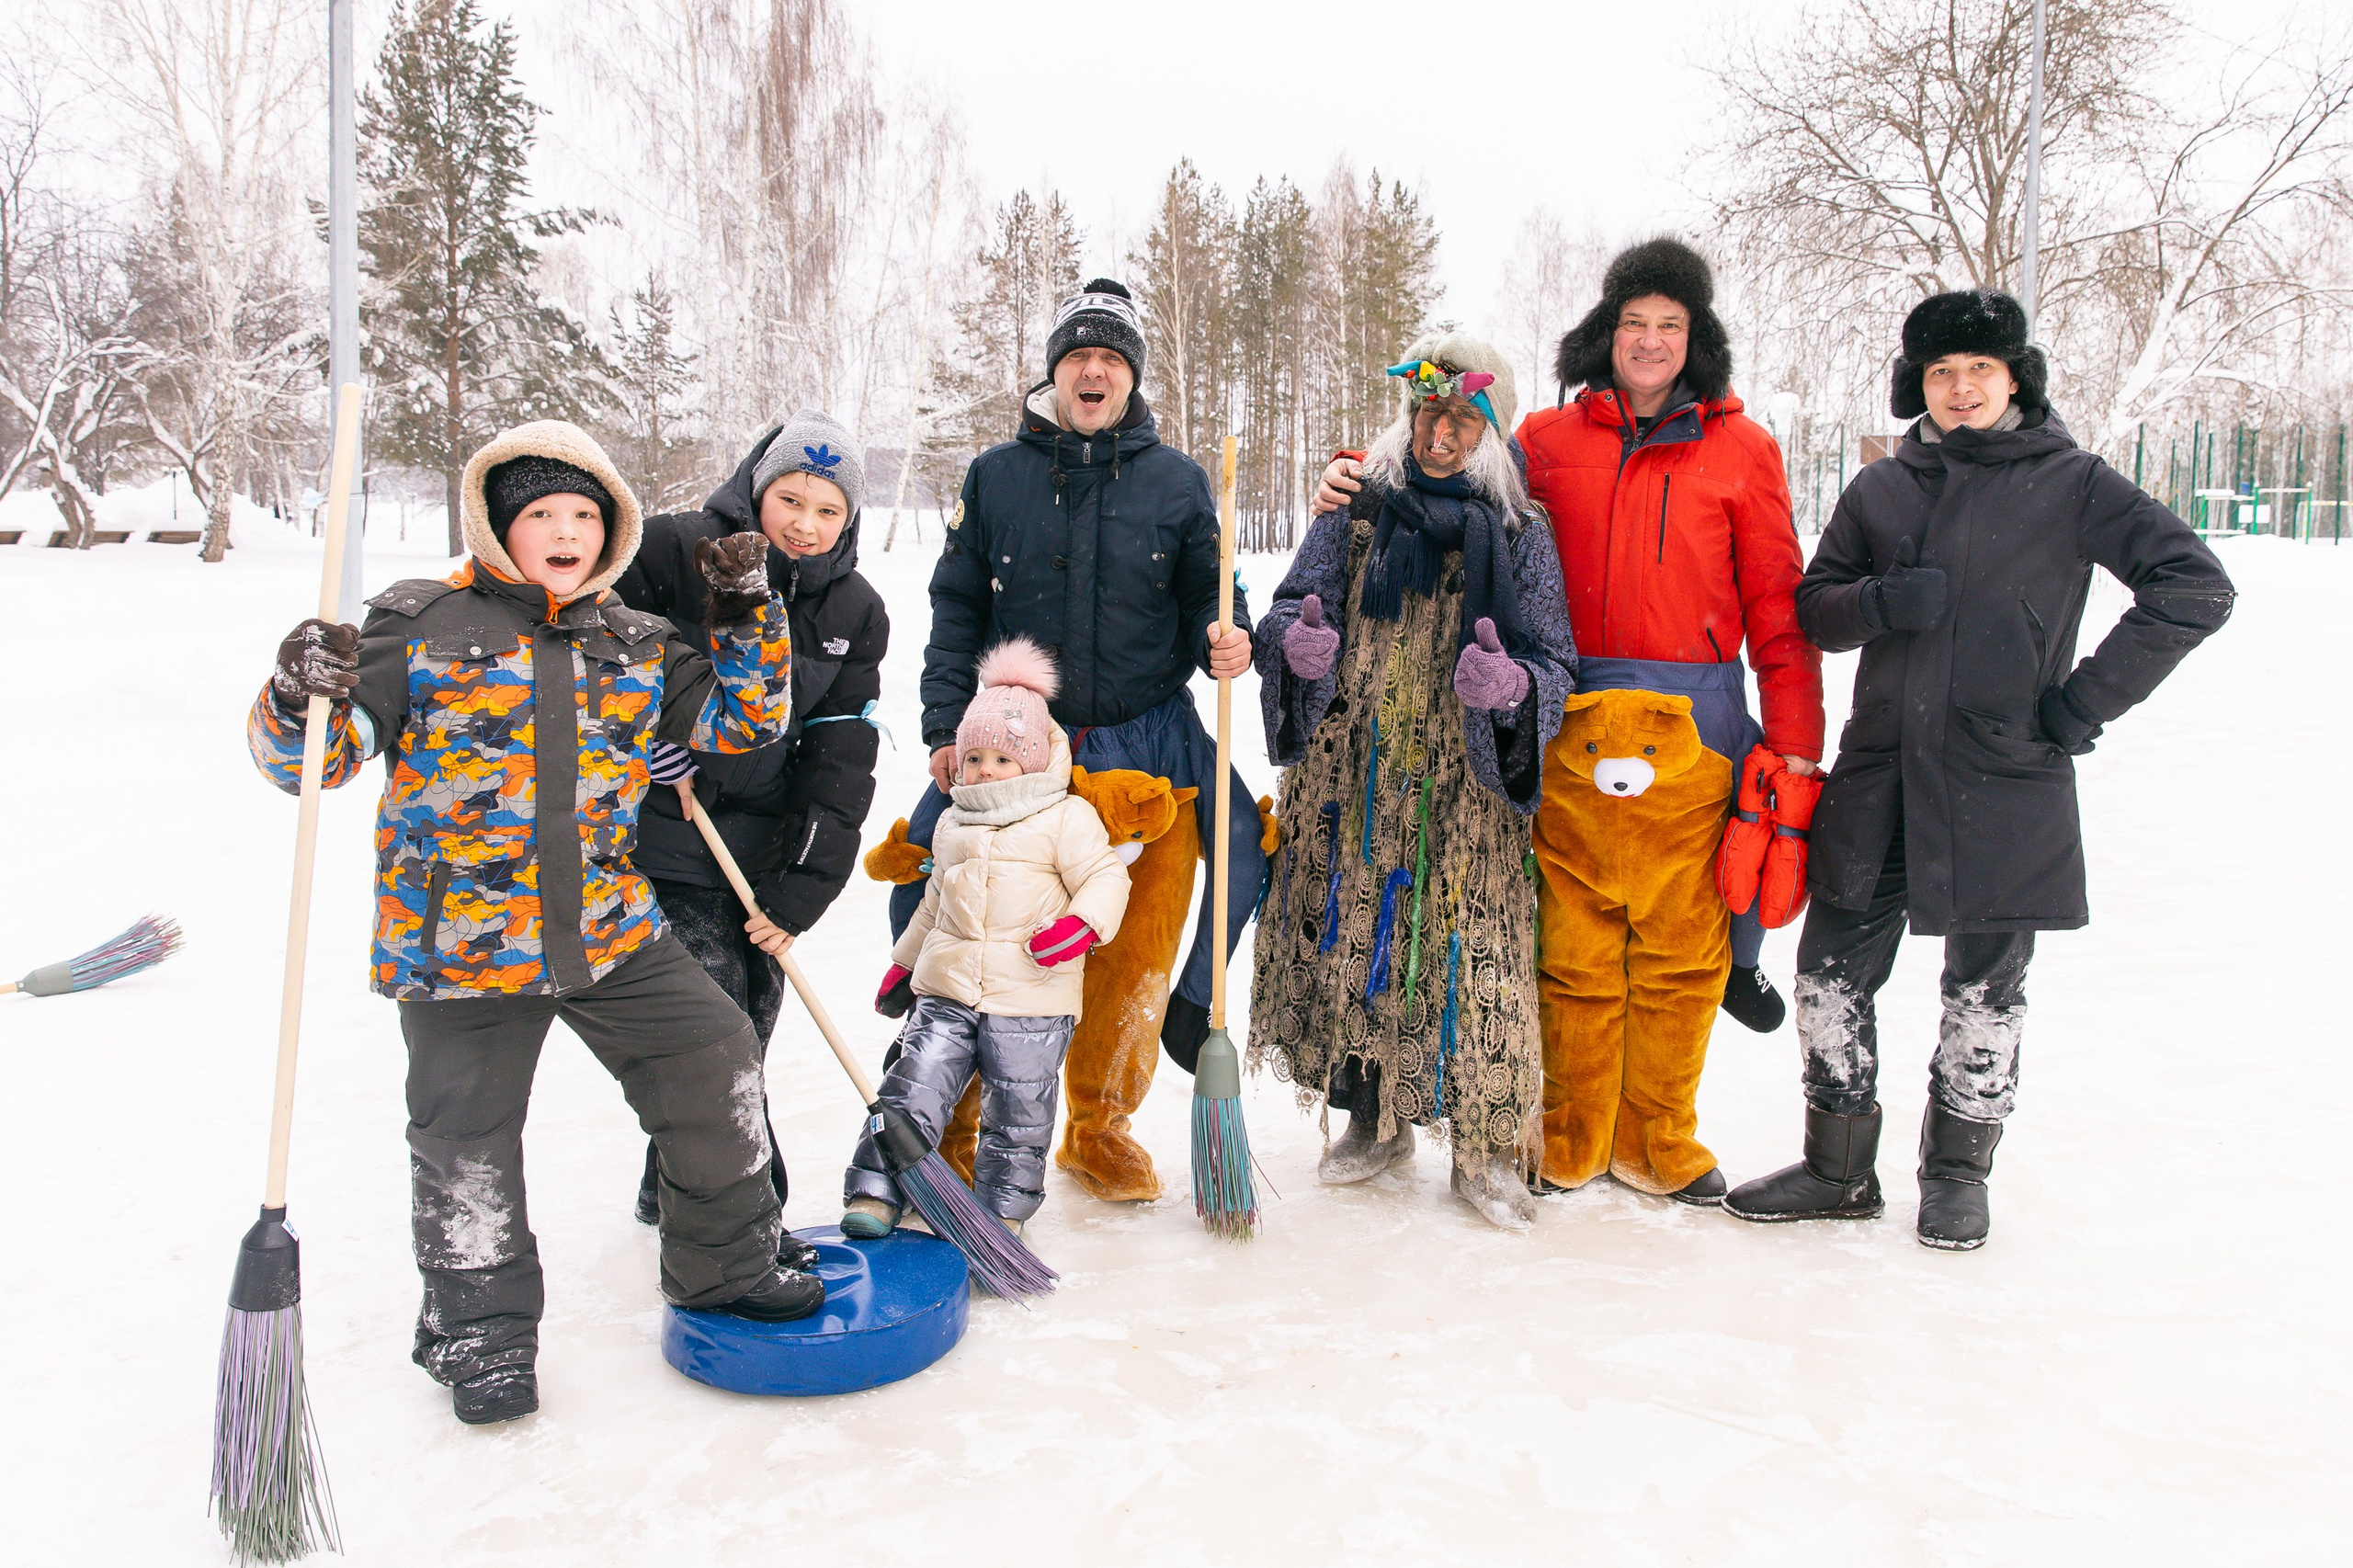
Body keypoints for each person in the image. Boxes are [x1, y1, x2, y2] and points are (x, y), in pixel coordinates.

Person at [249, 421, 825, 1427]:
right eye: (542, 514)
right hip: (461, 944)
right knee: (465, 1142)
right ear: (496, 525)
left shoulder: (635, 639)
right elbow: (315, 763)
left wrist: (745, 612)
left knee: (716, 1052)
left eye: (584, 515)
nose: (564, 532)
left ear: (610, 530)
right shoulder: (419, 623)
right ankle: (480, 1334)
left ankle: (723, 1265)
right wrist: (296, 694)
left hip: (608, 929)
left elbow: (747, 722)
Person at [1722, 290, 2235, 1249]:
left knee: (1985, 985)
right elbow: (1815, 608)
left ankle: (1958, 1169)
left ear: (2015, 380)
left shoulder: (2074, 483)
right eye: (1941, 374)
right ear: (1917, 383)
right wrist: (1880, 601)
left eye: (1979, 373)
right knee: (1828, 971)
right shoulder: (1882, 487)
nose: (1959, 390)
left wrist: (2081, 702)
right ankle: (1837, 1168)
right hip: (1879, 777)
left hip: (2004, 776)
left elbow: (2194, 586)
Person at [1319, 240, 1821, 1038]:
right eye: (1633, 321)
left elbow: (1777, 607)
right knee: (1575, 931)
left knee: (1685, 927)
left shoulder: (1745, 450)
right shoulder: (1551, 439)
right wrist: (1355, 468)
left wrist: (1794, 741)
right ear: (1606, 330)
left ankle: (1660, 1117)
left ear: (1699, 339)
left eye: (1670, 324)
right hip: (1577, 701)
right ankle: (1572, 1111)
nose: (1649, 340)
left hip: (1699, 711)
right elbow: (1447, 463)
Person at [890, 278, 1260, 1202]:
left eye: (1111, 359)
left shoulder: (1177, 481)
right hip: (1020, 751)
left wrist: (1229, 633)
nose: (1093, 371)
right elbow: (955, 610)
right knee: (975, 934)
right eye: (1077, 357)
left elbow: (1210, 595)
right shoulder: (996, 476)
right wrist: (944, 725)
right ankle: (956, 1125)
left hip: (1151, 749)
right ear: (1054, 373)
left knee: (1135, 945)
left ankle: (1101, 1125)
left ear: (1130, 378)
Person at [1249, 334, 1577, 1230]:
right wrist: (1296, 644)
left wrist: (1514, 688)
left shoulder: (1520, 535)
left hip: (1465, 799)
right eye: (1426, 411)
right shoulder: (1356, 511)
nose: (1440, 432)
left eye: (1463, 416)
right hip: (1353, 781)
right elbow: (1288, 605)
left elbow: (1556, 663)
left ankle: (1485, 1146)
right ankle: (1372, 1120)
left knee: (1475, 969)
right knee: (1363, 946)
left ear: (1492, 427)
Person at [614, 411, 887, 1252]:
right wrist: (645, 723)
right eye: (790, 500)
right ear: (756, 489)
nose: (805, 524)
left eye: (827, 510)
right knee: (712, 1032)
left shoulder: (855, 607)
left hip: (760, 848)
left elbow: (841, 758)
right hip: (658, 832)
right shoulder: (671, 549)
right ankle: (742, 1209)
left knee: (751, 1023)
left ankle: (679, 1176)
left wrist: (798, 889)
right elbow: (593, 639)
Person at [847, 640, 1131, 1234]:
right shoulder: (954, 819)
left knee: (1018, 1116)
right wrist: (903, 966)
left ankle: (1002, 1216)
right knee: (909, 1088)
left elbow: (1105, 876)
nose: (984, 771)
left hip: (1031, 998)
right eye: (973, 757)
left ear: (1031, 760)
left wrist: (1078, 928)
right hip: (946, 994)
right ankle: (875, 1192)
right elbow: (932, 905)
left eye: (1002, 759)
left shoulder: (1064, 817)